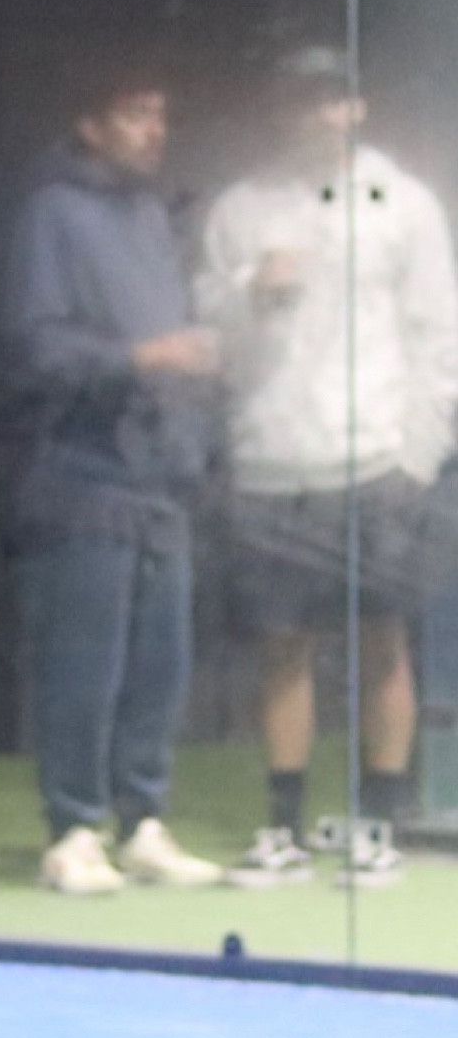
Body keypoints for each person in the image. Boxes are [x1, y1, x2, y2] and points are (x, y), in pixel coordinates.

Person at [198, 46, 458, 888]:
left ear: (358, 108)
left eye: (333, 100)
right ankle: (283, 831)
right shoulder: (241, 208)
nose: (318, 115)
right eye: (303, 100)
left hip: (377, 460)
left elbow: (440, 335)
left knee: (384, 643)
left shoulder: (406, 206)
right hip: (273, 462)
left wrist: (417, 455)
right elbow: (211, 331)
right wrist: (252, 289)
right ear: (282, 110)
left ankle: (379, 827)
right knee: (282, 649)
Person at [1, 66, 225, 894]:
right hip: (84, 476)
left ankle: (143, 825)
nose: (154, 130)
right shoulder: (52, 213)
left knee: (160, 664)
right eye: (134, 113)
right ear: (90, 125)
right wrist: (143, 358)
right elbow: (37, 348)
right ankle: (73, 832)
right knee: (84, 664)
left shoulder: (152, 216)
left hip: (163, 477)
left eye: (160, 113)